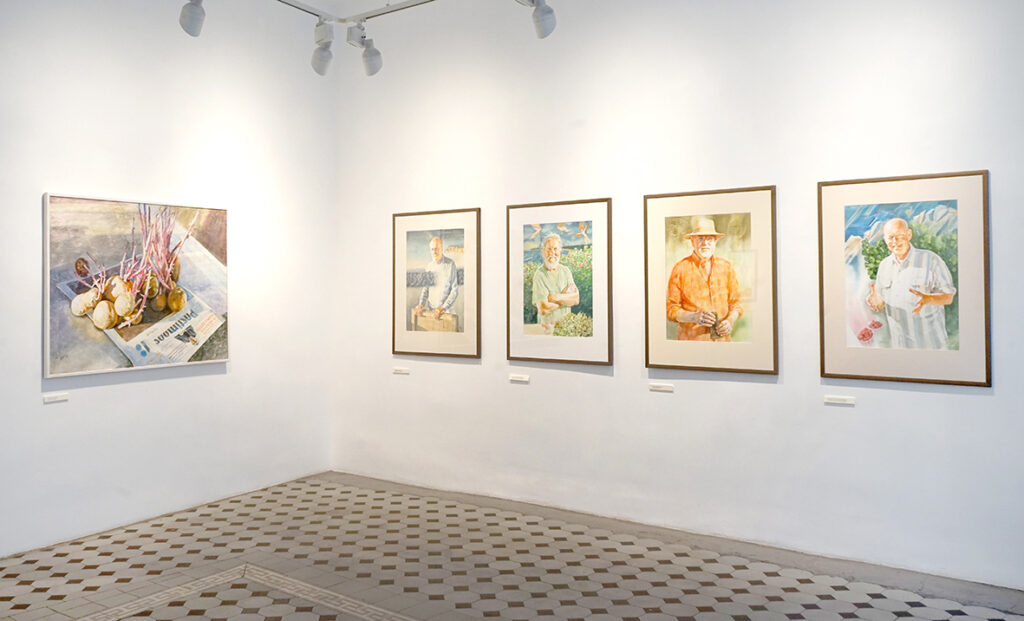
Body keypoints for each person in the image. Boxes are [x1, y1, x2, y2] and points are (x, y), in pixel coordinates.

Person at [866, 218, 955, 349]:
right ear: (885, 240)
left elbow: (949, 297)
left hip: (931, 347)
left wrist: (929, 299)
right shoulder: (884, 266)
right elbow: (881, 302)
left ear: (909, 234)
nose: (895, 241)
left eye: (899, 235)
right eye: (890, 237)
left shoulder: (931, 260)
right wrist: (875, 301)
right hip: (900, 347)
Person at [666, 218, 742, 341]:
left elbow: (736, 304)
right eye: (700, 238)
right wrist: (693, 317)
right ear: (692, 241)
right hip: (691, 342)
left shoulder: (726, 267)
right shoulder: (680, 268)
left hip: (723, 342)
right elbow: (671, 309)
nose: (705, 243)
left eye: (709, 239)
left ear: (715, 241)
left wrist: (730, 321)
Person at [532, 233, 579, 334]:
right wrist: (565, 298)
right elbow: (543, 309)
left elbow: (575, 299)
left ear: (560, 251)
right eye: (549, 249)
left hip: (567, 328)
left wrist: (554, 297)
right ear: (543, 252)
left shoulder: (566, 271)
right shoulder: (539, 275)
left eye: (555, 249)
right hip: (547, 330)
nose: (552, 253)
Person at [413, 236, 459, 321]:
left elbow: (454, 290)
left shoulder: (450, 264)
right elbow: (426, 289)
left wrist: (443, 308)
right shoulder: (429, 266)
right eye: (432, 249)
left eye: (436, 249)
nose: (434, 252)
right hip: (432, 313)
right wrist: (421, 304)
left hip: (446, 313)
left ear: (442, 249)